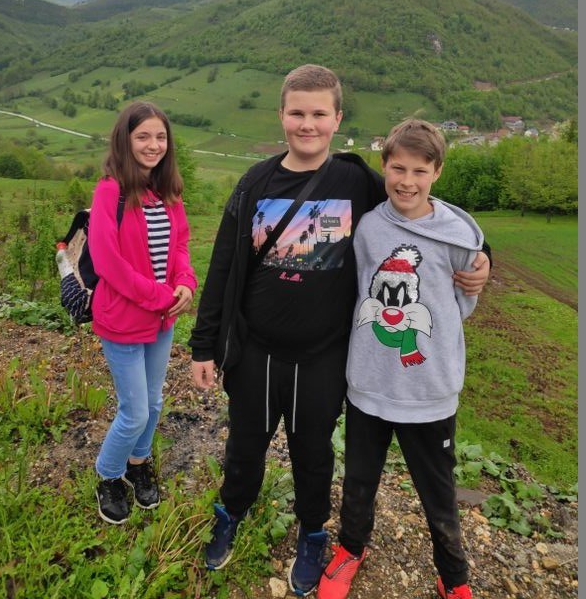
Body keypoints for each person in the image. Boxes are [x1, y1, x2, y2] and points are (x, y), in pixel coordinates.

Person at [189, 65, 489, 596]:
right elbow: (222, 266)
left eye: (318, 114)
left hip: (324, 356)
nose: (307, 124)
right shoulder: (254, 182)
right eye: (297, 113)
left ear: (337, 119)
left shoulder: (355, 181)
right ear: (281, 115)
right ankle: (230, 512)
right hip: (256, 351)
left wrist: (484, 253)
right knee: (245, 445)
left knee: (313, 454)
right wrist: (203, 345)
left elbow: (420, 207)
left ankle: (312, 534)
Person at [317, 118, 484, 599]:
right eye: (397, 168)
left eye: (419, 171)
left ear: (437, 172)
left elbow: (462, 303)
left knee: (438, 492)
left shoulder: (458, 235)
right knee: (359, 479)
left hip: (430, 391)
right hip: (369, 384)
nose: (407, 181)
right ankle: (351, 548)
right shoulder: (369, 227)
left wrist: (483, 264)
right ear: (384, 166)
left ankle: (453, 576)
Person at [88, 101, 197, 525]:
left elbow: (180, 244)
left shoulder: (167, 190)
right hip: (122, 319)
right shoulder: (110, 190)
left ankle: (138, 462)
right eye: (143, 137)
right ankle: (108, 474)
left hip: (162, 319)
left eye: (160, 137)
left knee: (153, 402)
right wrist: (158, 295)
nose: (153, 145)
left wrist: (185, 281)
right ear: (125, 140)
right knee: (134, 410)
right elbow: (107, 262)